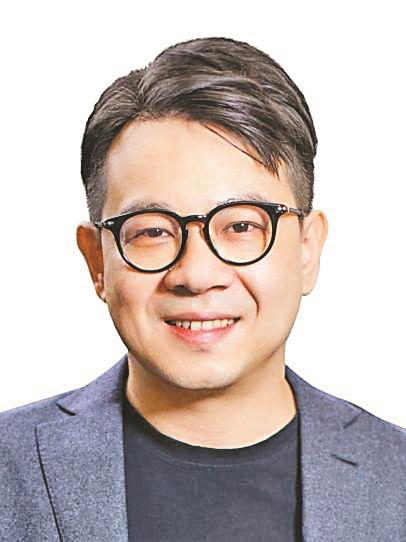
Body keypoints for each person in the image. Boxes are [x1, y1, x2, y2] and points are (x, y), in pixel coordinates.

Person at [0, 36, 405, 542]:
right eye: (152, 231)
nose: (196, 274)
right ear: (96, 260)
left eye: (241, 226)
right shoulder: (9, 470)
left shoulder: (396, 479)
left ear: (307, 248)